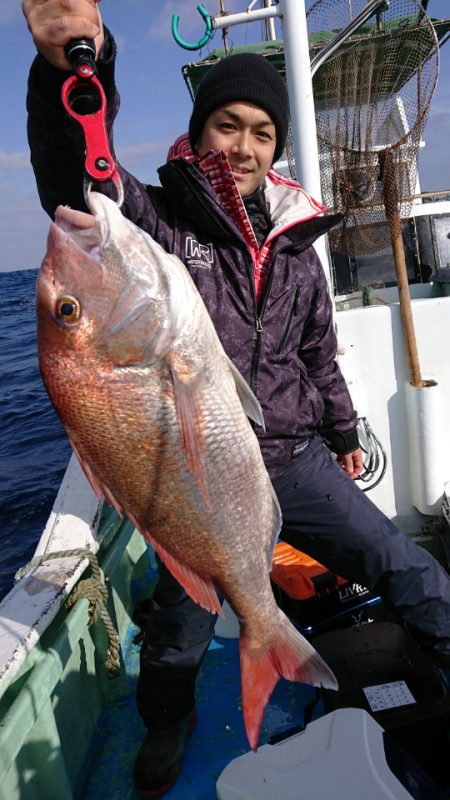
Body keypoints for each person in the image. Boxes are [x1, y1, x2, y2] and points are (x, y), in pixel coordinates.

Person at [23, 1, 450, 796]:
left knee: (407, 566)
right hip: (199, 483)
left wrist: (344, 426)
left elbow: (318, 351)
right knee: (180, 635)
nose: (245, 144)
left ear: (277, 146)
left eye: (262, 131)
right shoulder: (156, 222)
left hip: (296, 459)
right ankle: (168, 724)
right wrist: (69, 71)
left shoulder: (296, 244)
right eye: (227, 123)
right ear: (199, 130)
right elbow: (78, 178)